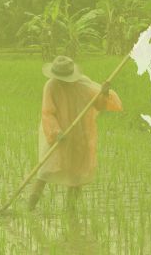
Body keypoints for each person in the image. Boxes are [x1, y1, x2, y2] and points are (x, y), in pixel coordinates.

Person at [28, 56, 123, 211]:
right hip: (57, 134)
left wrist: (104, 93)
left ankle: (70, 210)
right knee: (44, 171)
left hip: (80, 132)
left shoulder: (82, 83)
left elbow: (98, 104)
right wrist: (56, 132)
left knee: (76, 174)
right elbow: (47, 113)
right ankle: (29, 208)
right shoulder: (51, 86)